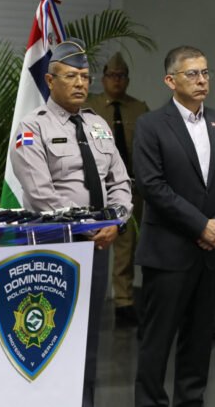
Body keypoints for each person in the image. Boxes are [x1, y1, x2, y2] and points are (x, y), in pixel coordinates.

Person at [9, 38, 133, 407]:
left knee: (88, 333)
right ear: (50, 80)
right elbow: (39, 193)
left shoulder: (97, 124)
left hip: (98, 244)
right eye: (71, 76)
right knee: (51, 332)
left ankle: (83, 401)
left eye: (84, 77)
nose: (80, 83)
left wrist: (116, 221)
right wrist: (83, 226)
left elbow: (120, 181)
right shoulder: (32, 128)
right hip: (56, 247)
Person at [133, 46, 215, 407]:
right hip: (168, 253)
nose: (201, 80)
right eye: (192, 74)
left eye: (205, 73)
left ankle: (190, 401)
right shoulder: (151, 125)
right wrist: (201, 226)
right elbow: (152, 186)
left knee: (198, 342)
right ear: (170, 80)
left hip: (209, 254)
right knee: (157, 342)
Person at [85, 52, 149, 326]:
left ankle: (124, 301)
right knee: (93, 241)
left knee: (126, 246)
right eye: (112, 75)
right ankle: (89, 298)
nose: (117, 80)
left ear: (127, 80)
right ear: (103, 78)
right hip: (94, 189)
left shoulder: (139, 109)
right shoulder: (90, 106)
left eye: (121, 76)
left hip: (129, 187)